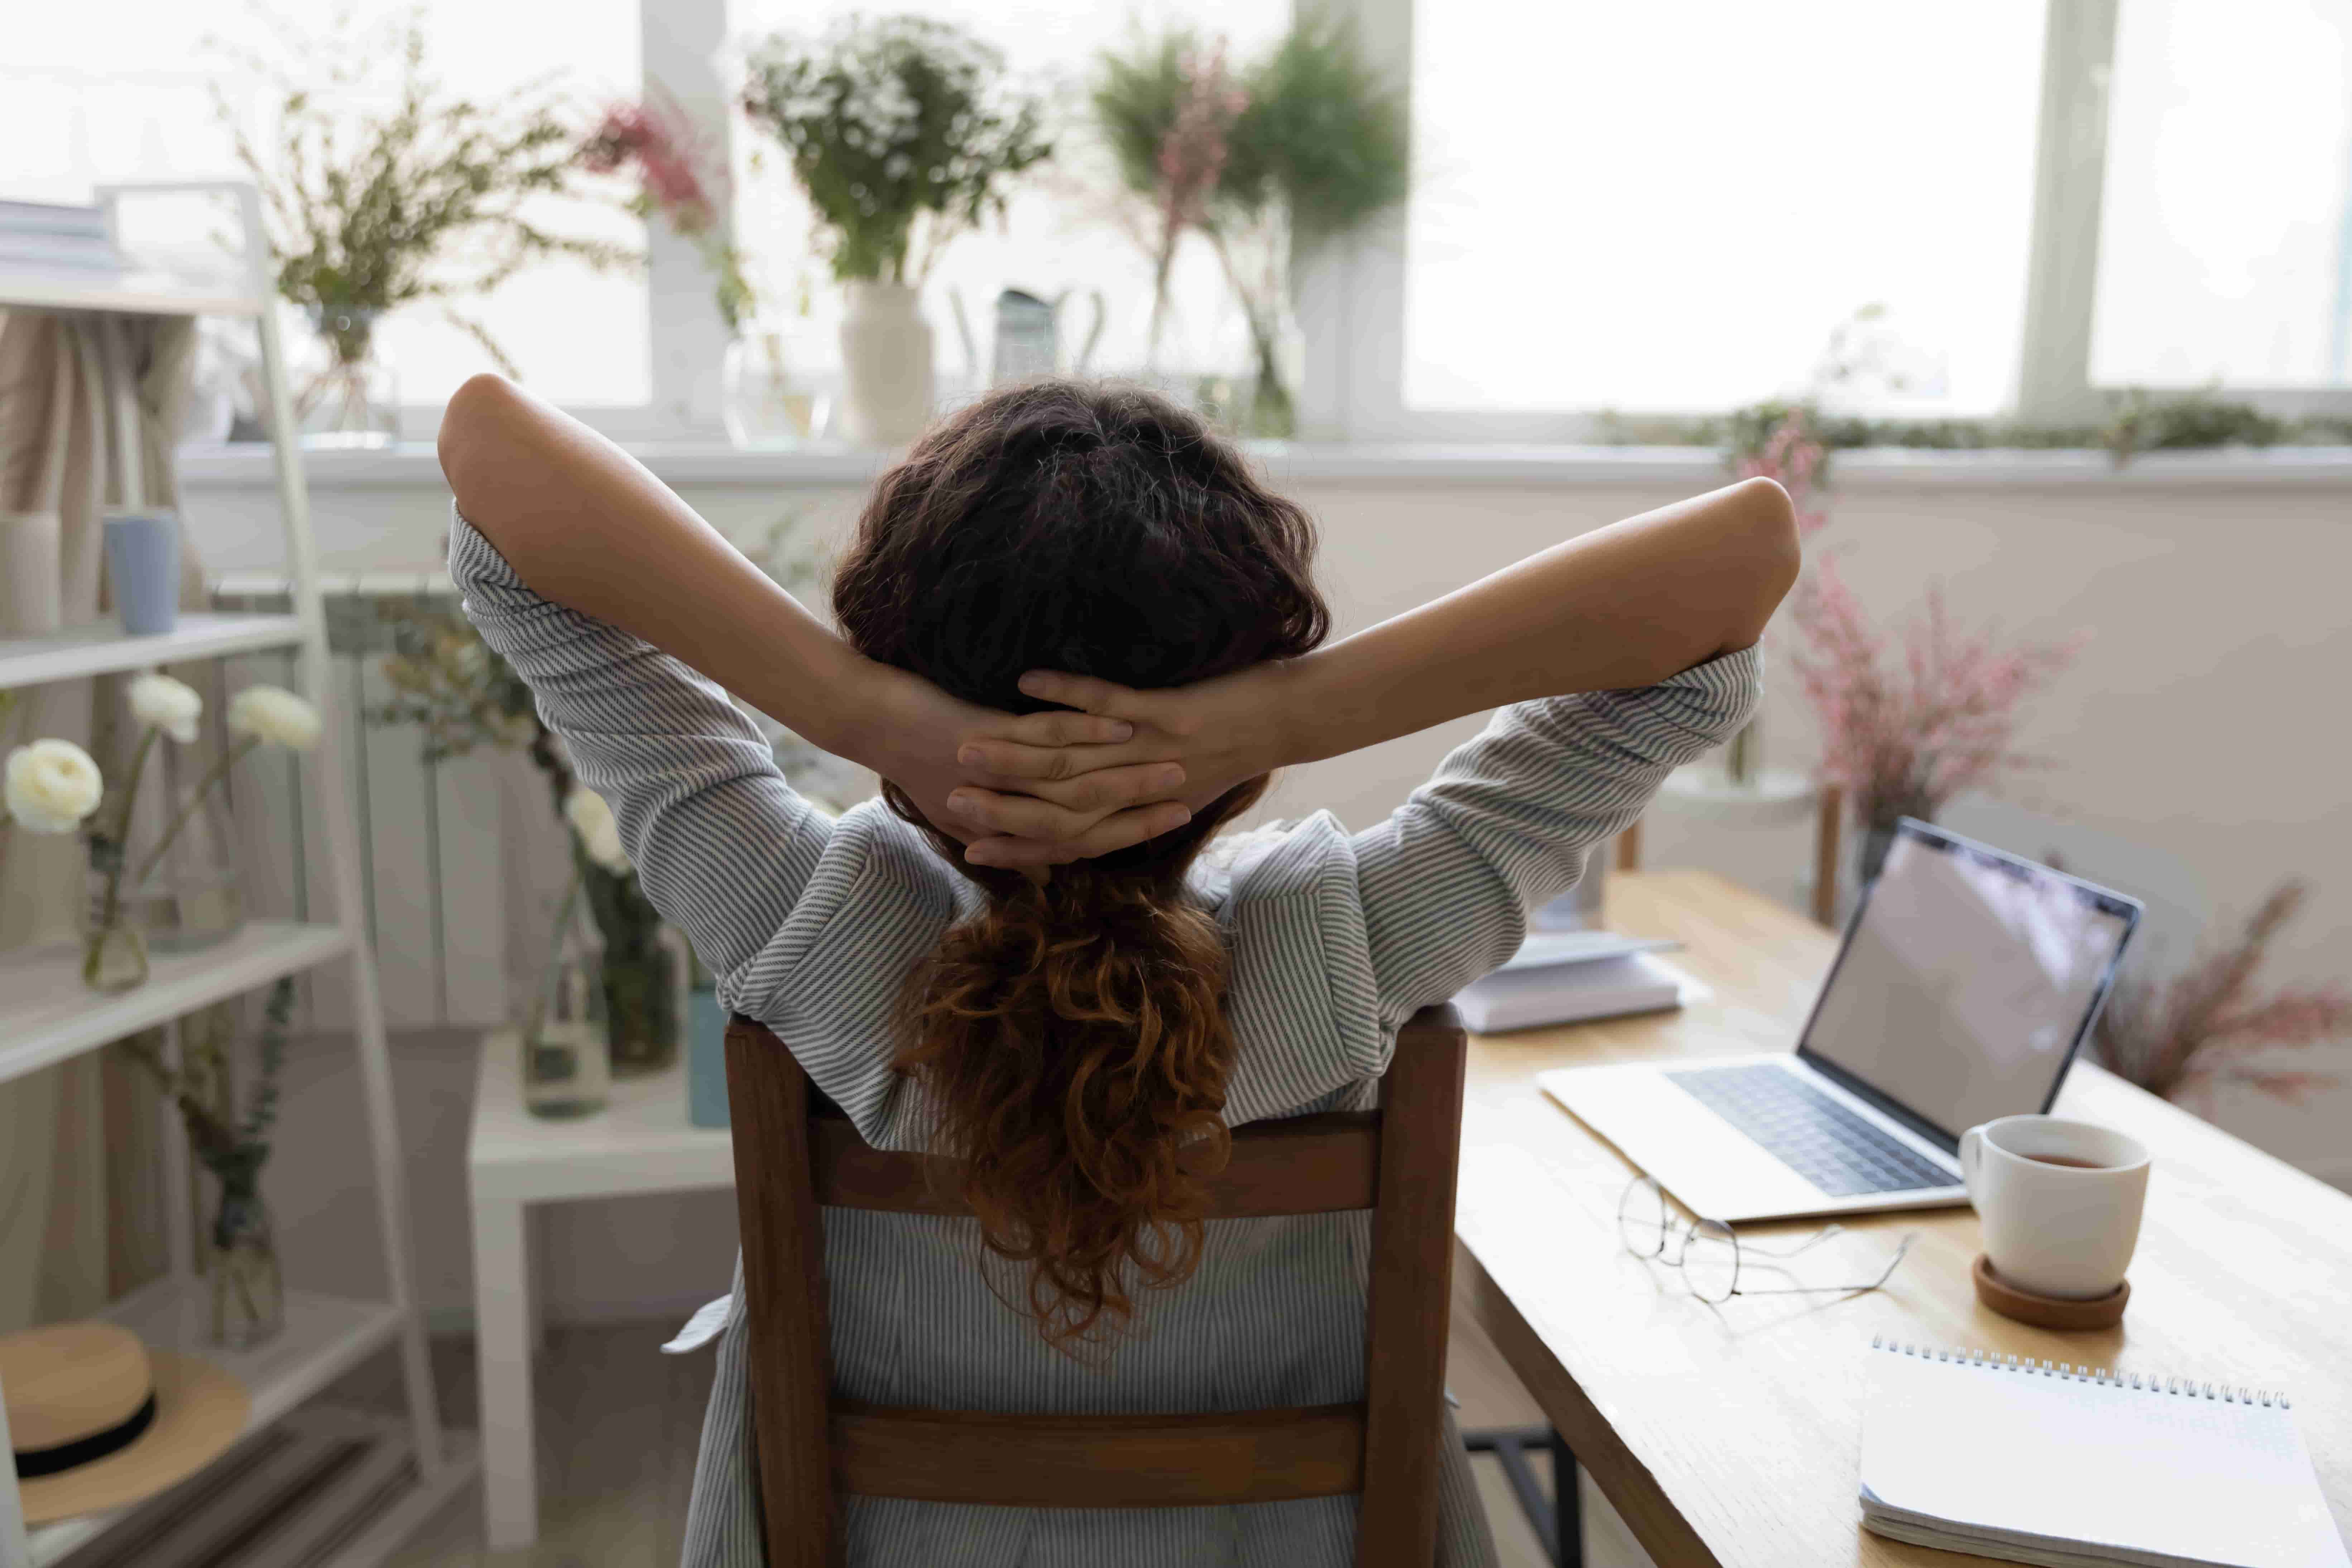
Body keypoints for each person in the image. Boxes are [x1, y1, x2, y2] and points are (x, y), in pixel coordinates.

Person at [438, 375, 1799, 1568]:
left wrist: (858, 711)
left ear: (895, 654)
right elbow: (1737, 571)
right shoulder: (1353, 944)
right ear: (1232, 730)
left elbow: (493, 466)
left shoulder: (806, 926)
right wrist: (1298, 710)